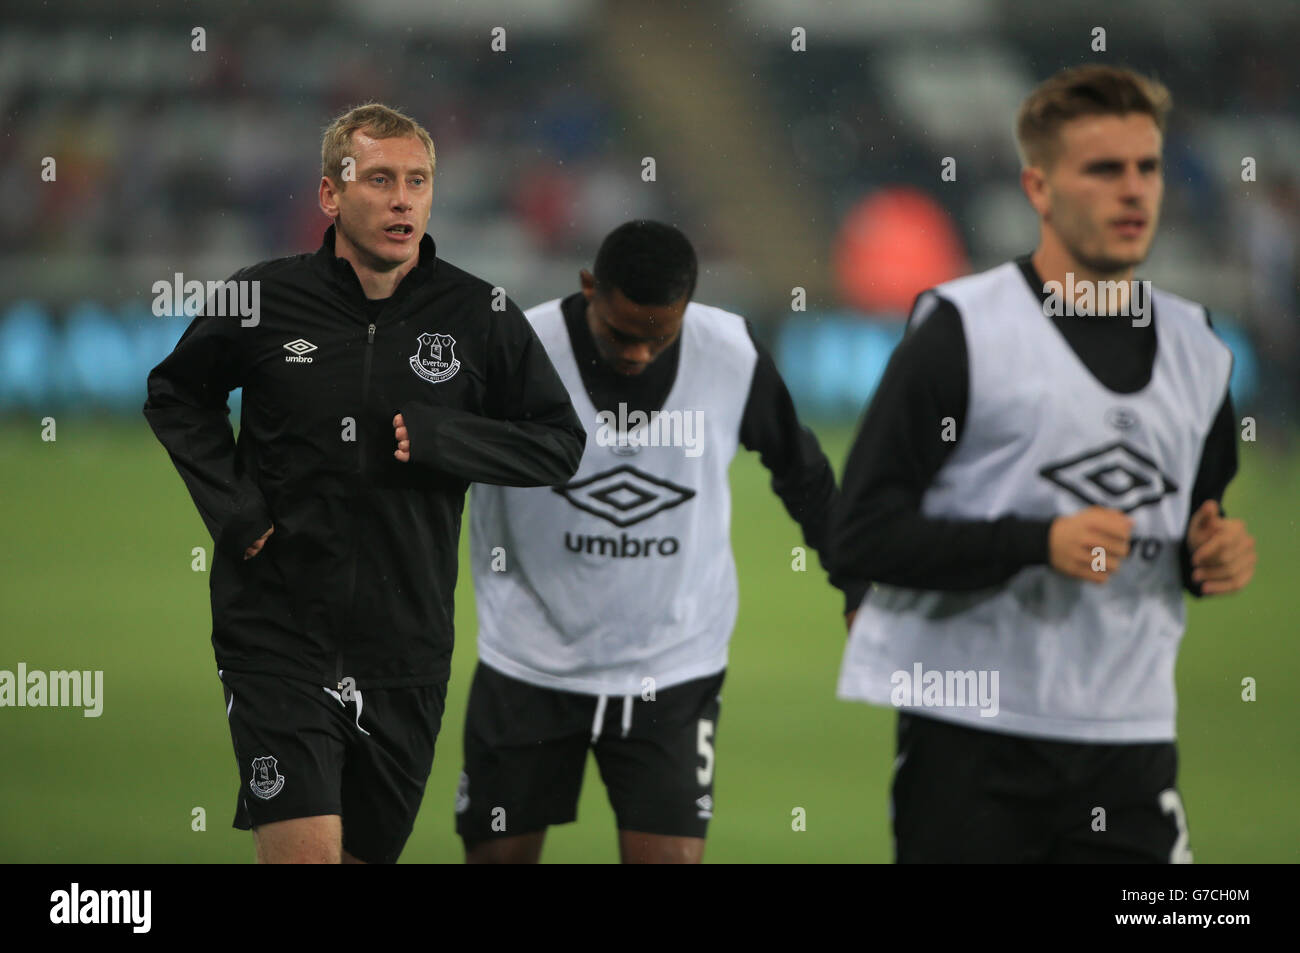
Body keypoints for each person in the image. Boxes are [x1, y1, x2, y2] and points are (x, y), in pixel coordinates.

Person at [832, 65, 1256, 863]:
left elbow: (1190, 528)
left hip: (1128, 740)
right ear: (1038, 186)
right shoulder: (963, 331)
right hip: (973, 741)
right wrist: (1036, 543)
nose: (1133, 190)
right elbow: (860, 535)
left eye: (1148, 166)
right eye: (1103, 169)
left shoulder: (1201, 352)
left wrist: (1214, 555)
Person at [143, 103, 585, 864]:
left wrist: (451, 438)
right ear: (330, 193)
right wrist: (234, 508)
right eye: (379, 178)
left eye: (417, 180)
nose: (402, 198)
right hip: (277, 633)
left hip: (405, 646)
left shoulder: (479, 314)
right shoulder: (262, 299)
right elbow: (176, 394)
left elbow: (560, 445)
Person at [459, 221, 860, 863]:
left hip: (672, 668)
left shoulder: (729, 353)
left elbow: (802, 471)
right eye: (622, 334)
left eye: (660, 338)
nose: (640, 354)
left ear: (688, 308)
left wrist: (856, 582)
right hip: (529, 661)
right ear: (590, 287)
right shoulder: (518, 347)